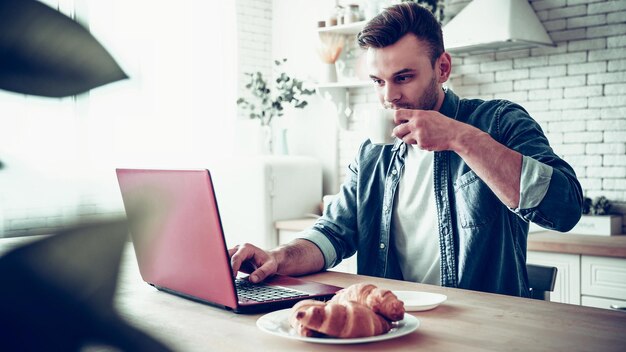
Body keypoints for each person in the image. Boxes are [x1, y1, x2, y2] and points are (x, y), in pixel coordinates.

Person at [229, 2, 583, 297]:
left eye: (403, 77)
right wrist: (278, 257)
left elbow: (564, 208)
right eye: (378, 82)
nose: (388, 97)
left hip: (480, 329)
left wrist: (460, 137)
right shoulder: (373, 153)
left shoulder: (499, 121)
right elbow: (335, 232)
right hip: (391, 327)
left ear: (442, 68)